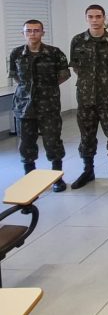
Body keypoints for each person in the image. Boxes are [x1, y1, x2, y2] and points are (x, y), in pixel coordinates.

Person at [9, 20, 70, 192]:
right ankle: (30, 178)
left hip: (49, 105)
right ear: (23, 33)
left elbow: (64, 74)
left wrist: (46, 88)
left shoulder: (54, 53)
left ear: (43, 33)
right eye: (28, 31)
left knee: (53, 142)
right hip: (24, 106)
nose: (32, 34)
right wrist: (30, 88)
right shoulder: (16, 53)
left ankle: (57, 178)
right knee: (26, 144)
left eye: (36, 30)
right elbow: (15, 76)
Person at [69, 5, 108, 189]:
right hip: (86, 97)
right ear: (86, 18)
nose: (94, 20)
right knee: (87, 136)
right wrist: (89, 82)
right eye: (91, 16)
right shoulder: (78, 40)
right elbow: (76, 66)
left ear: (104, 18)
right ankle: (88, 170)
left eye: (98, 16)